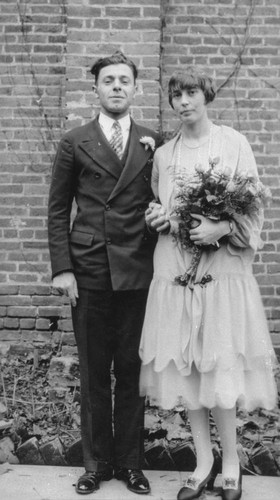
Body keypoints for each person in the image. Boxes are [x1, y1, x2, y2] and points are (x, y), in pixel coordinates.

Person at [139, 67, 278, 500]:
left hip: (222, 271)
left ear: (206, 95)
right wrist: (156, 216)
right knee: (190, 367)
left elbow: (253, 205)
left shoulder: (233, 143)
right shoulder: (164, 155)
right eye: (176, 95)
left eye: (191, 92)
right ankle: (203, 463)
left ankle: (232, 462)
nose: (184, 102)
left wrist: (221, 228)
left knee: (218, 364)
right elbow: (163, 209)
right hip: (177, 270)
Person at [48, 51, 161, 495]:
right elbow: (58, 210)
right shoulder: (75, 141)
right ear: (96, 88)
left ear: (135, 89)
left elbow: (163, 202)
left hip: (137, 271)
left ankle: (131, 464)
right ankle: (96, 464)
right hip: (91, 269)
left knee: (132, 369)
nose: (116, 87)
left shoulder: (155, 141)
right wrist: (63, 269)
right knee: (94, 371)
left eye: (124, 81)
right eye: (108, 80)